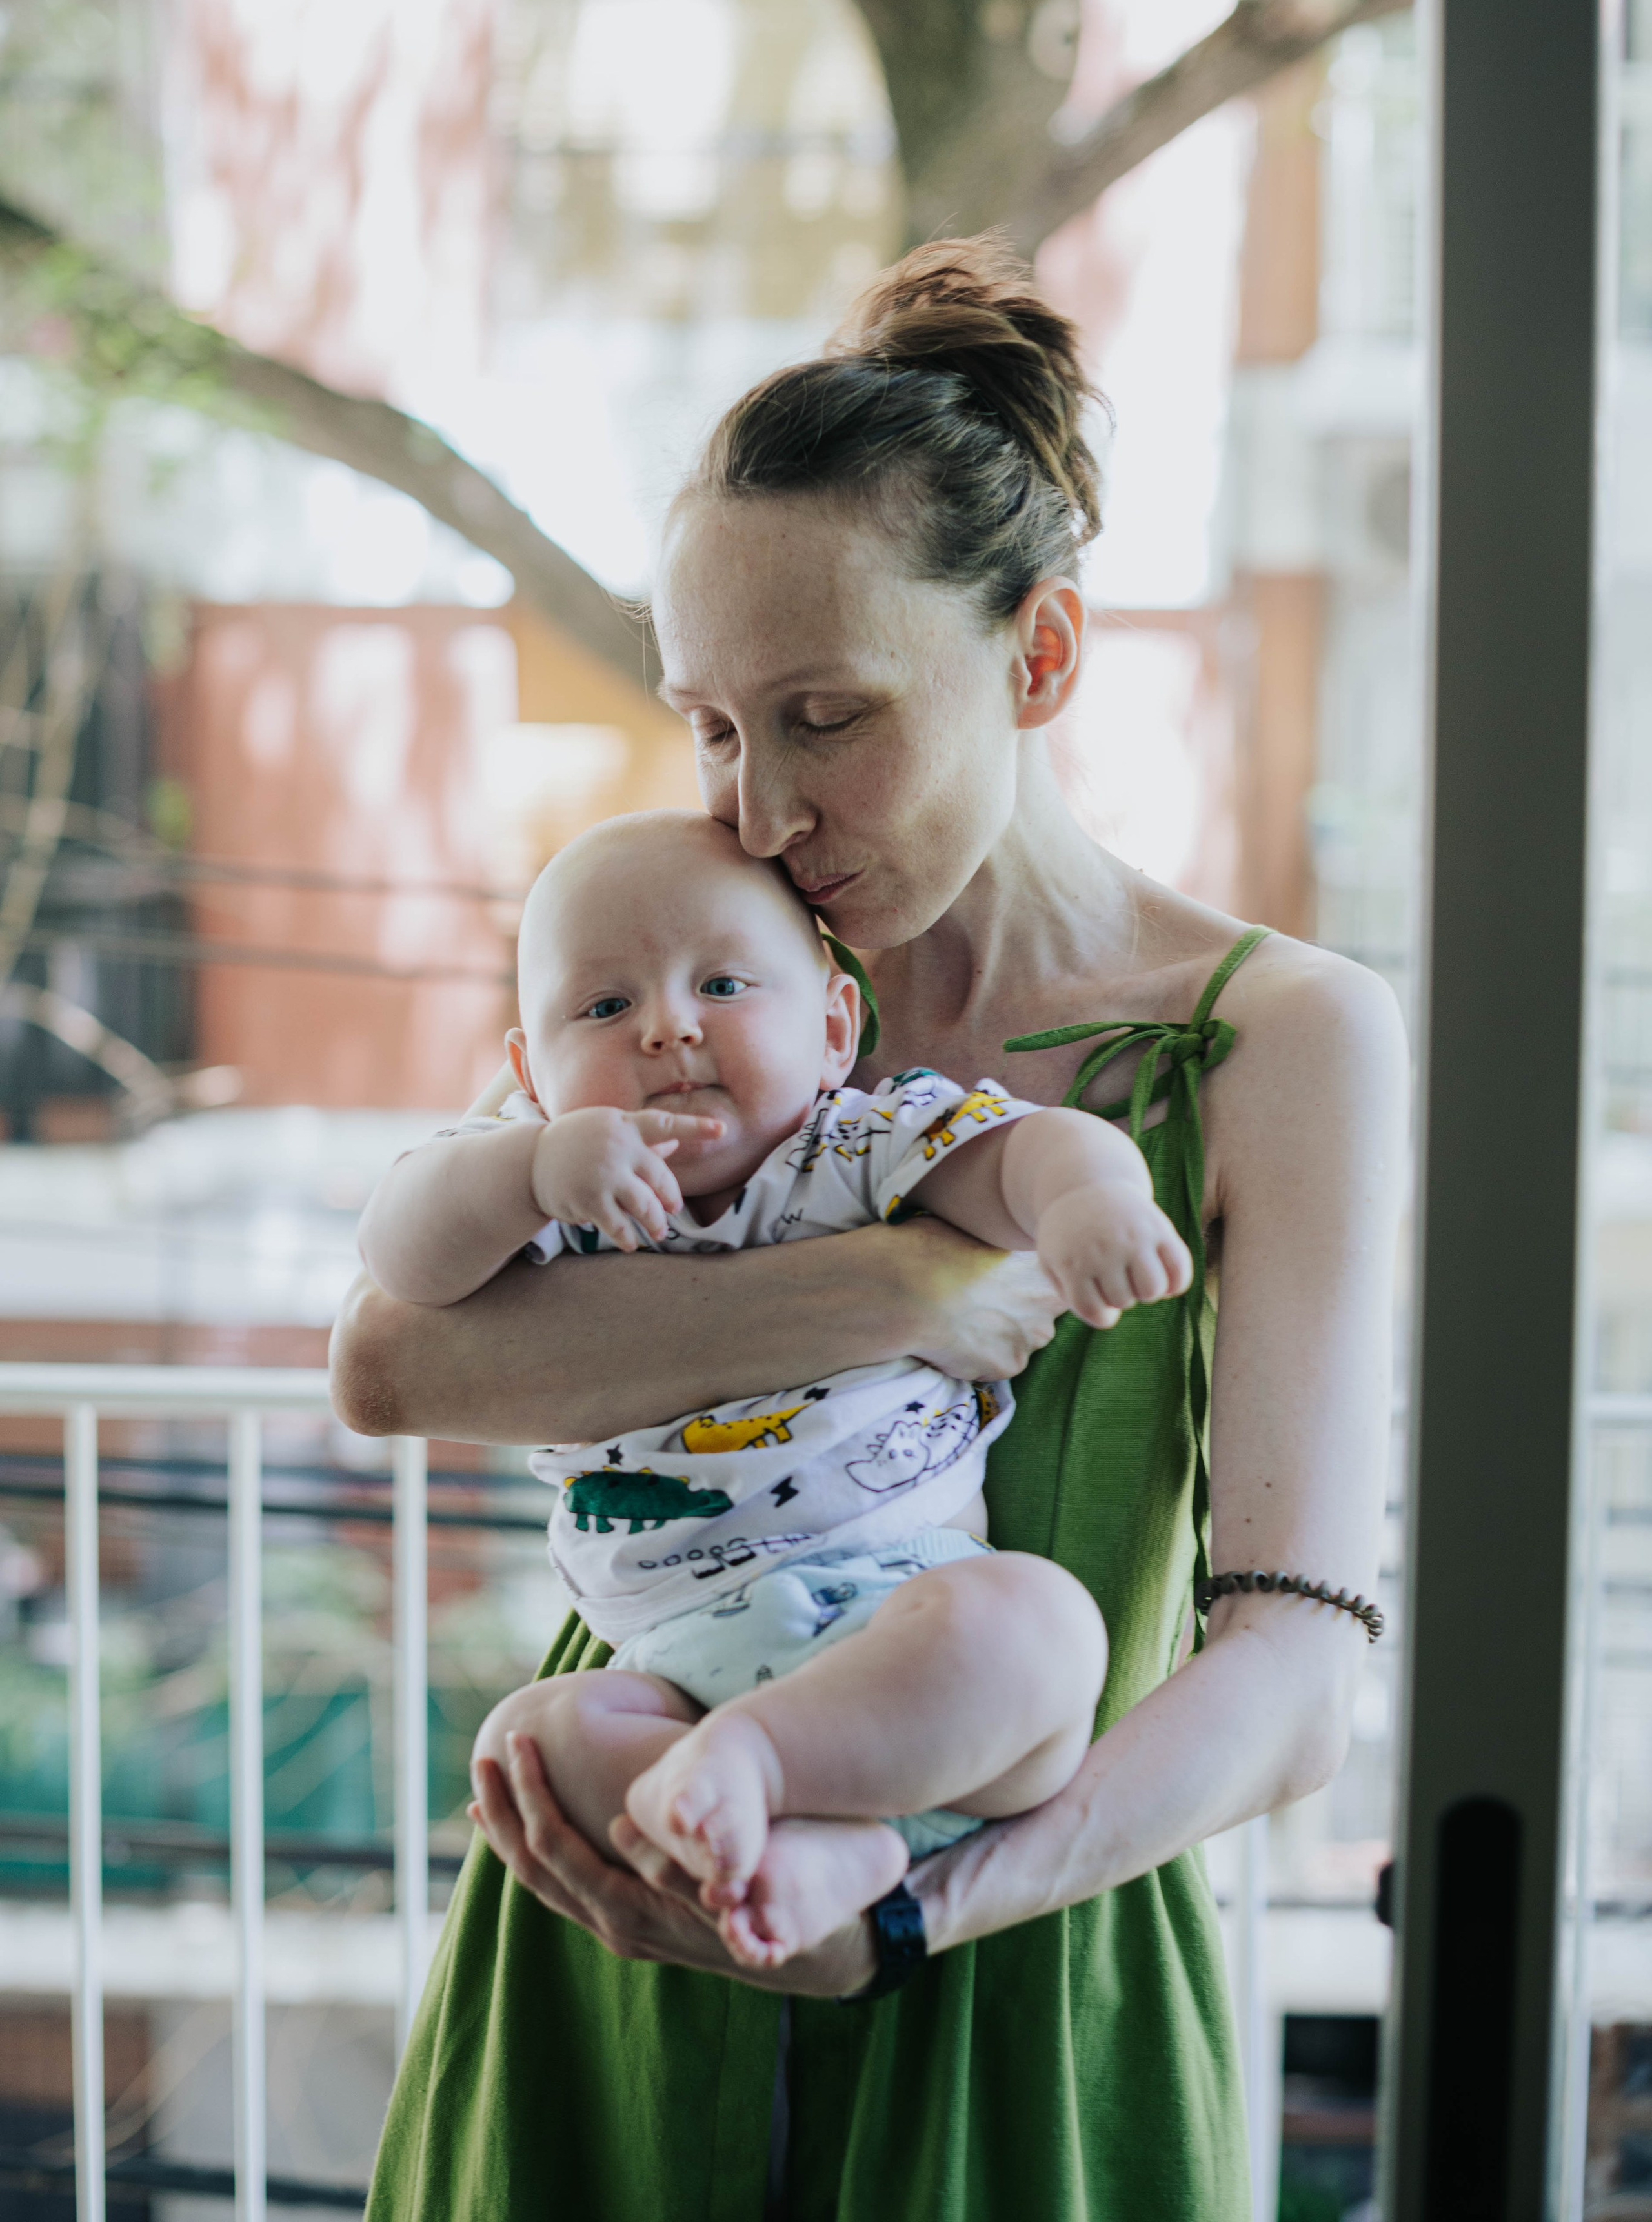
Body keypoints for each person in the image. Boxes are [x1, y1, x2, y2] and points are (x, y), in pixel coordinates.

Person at [332, 236, 1407, 2222]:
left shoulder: (1283, 1038)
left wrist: (916, 1906)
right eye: (714, 725)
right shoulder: (711, 978)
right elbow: (394, 1360)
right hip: (638, 1866)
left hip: (1029, 1936)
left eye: (826, 715)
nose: (756, 812)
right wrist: (909, 1281)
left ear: (1043, 657)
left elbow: (1295, 1674)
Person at [357, 809, 1193, 1967]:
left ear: (836, 1026)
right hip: (673, 1669)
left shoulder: (860, 1147)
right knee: (532, 1742)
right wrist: (527, 1169)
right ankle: (826, 1850)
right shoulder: (572, 1201)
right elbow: (402, 1258)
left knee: (1040, 1630)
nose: (666, 1029)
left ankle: (787, 1789)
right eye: (603, 1008)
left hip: (907, 1624)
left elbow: (1031, 1150)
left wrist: (1092, 1202)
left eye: (726, 985)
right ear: (528, 1074)